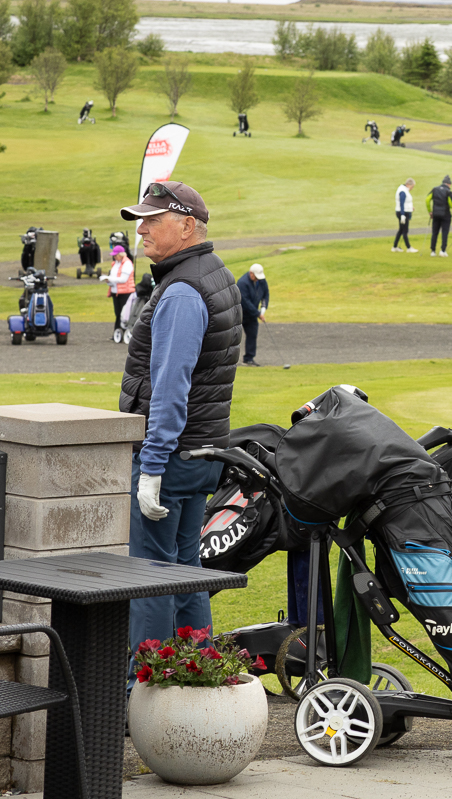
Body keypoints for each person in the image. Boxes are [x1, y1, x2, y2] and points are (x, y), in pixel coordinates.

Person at [118, 180, 243, 669]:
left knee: (150, 577)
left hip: (171, 458)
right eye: (141, 221)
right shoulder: (213, 273)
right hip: (201, 454)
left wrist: (151, 466)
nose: (142, 230)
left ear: (187, 226)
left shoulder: (182, 291)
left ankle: (146, 683)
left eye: (153, 220)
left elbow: (172, 388)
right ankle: (196, 674)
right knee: (186, 570)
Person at [236, 263, 269, 366]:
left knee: (252, 335)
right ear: (251, 273)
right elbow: (245, 302)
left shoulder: (261, 280)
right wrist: (258, 313)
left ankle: (248, 359)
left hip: (252, 315)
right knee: (234, 336)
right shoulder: (242, 283)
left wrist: (263, 308)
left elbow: (266, 294)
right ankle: (226, 359)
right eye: (256, 276)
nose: (258, 279)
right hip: (240, 313)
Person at [105, 243, 135, 337]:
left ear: (120, 255)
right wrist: (108, 281)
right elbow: (114, 278)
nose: (114, 256)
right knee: (118, 314)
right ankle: (117, 333)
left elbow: (123, 279)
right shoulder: (115, 264)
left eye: (115, 255)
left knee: (125, 314)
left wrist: (110, 279)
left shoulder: (127, 263)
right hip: (116, 292)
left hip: (125, 293)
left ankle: (125, 332)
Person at [428, 174, 452, 257]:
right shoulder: (448, 192)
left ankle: (433, 251)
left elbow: (427, 200)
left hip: (435, 214)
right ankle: (443, 250)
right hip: (445, 215)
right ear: (449, 184)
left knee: (434, 232)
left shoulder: (434, 189)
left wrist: (430, 211)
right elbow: (451, 205)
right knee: (445, 233)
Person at [393, 178, 418, 253]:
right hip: (403, 213)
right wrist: (402, 215)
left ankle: (395, 247)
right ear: (408, 184)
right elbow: (402, 203)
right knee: (405, 230)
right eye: (412, 186)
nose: (412, 188)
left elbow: (406, 202)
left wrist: (410, 208)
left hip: (403, 212)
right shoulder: (403, 191)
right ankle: (409, 248)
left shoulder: (404, 190)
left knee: (401, 230)